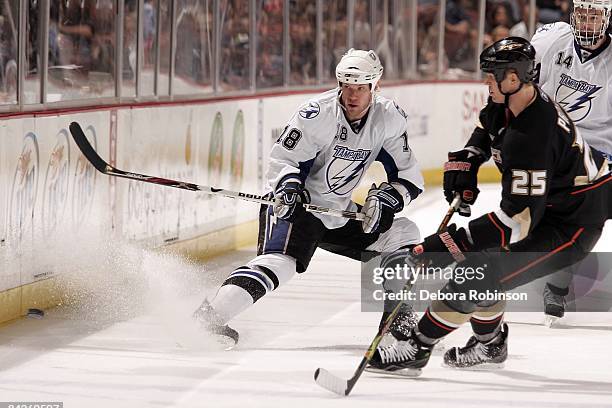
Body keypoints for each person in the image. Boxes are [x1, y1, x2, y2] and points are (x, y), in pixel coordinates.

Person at [367, 37, 610, 375]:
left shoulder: (531, 137)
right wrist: (469, 159)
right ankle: (491, 344)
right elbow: (486, 128)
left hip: (572, 224)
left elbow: (518, 221)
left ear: (512, 78)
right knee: (483, 269)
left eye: (491, 76)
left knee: (476, 274)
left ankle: (417, 347)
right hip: (553, 206)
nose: (486, 83)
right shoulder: (513, 101)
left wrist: (443, 245)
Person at [193, 49, 425, 347]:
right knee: (281, 264)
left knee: (404, 233)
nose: (352, 96)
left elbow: (408, 177)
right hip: (296, 205)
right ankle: (208, 319)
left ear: (375, 87)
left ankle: (397, 324)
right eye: (347, 87)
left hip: (337, 211)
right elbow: (284, 160)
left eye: (360, 88)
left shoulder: (388, 118)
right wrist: (289, 187)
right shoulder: (316, 114)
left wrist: (386, 200)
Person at [531, 0, 612, 324]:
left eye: (595, 15)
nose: (588, 21)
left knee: (594, 212)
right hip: (554, 139)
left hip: (600, 149)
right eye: (583, 13)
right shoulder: (551, 40)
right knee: (531, 208)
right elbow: (520, 85)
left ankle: (558, 282)